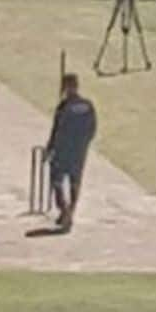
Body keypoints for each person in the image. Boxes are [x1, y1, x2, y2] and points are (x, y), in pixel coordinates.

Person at [43, 74, 98, 233]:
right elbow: (92, 128)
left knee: (57, 180)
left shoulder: (64, 107)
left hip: (63, 149)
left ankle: (65, 210)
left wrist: (50, 149)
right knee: (75, 181)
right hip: (79, 150)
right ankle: (70, 211)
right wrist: (83, 144)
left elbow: (57, 130)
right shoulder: (88, 105)